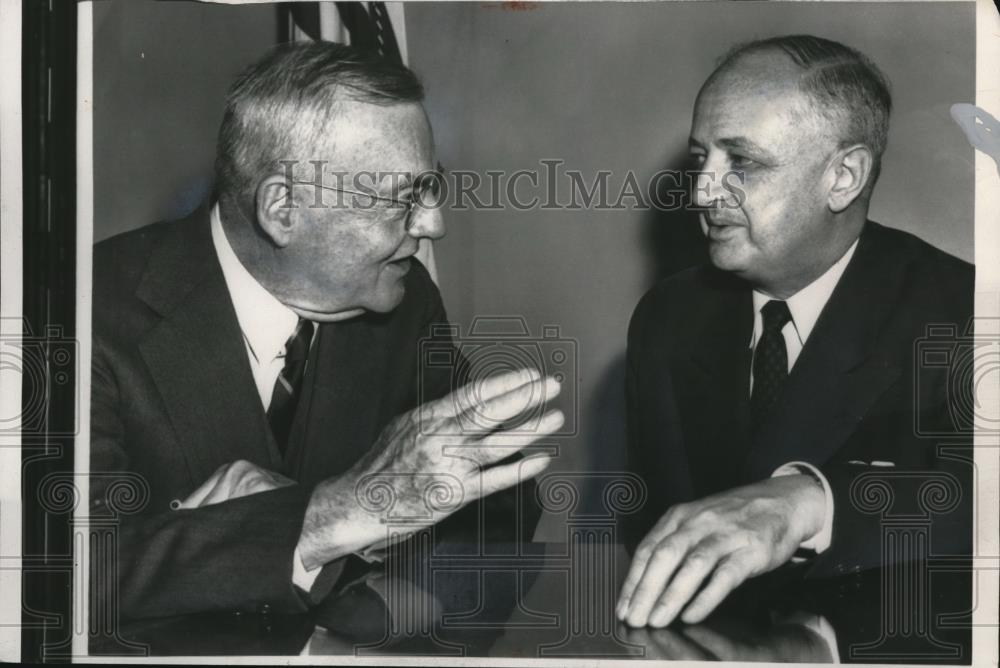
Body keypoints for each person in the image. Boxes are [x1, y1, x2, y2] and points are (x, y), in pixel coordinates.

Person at [90, 41, 562, 622]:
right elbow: (56, 577)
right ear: (282, 209)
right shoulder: (85, 316)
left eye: (431, 185)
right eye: (401, 198)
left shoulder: (403, 303)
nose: (434, 224)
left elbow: (500, 506)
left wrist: (385, 611)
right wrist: (327, 514)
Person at [617, 35, 974, 628]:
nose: (704, 192)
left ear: (844, 177)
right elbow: (652, 533)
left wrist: (813, 501)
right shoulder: (667, 318)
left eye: (743, 162)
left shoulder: (966, 315)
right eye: (700, 158)